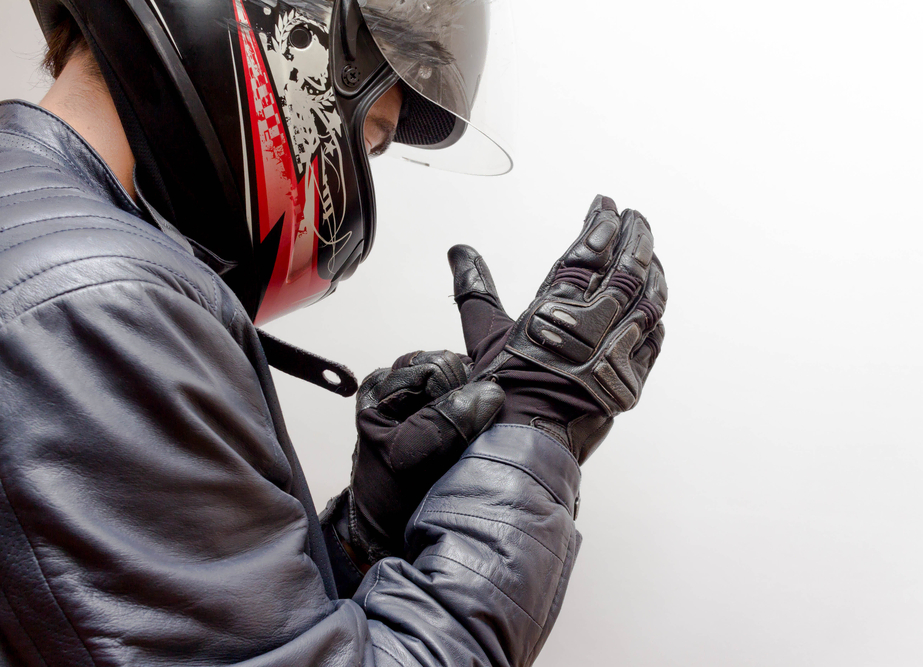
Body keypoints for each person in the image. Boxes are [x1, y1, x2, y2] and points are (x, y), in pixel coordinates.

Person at [0, 0, 666, 665]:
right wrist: (535, 435)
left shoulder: (41, 226)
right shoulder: (94, 304)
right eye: (371, 137)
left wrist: (360, 538)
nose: (358, 169)